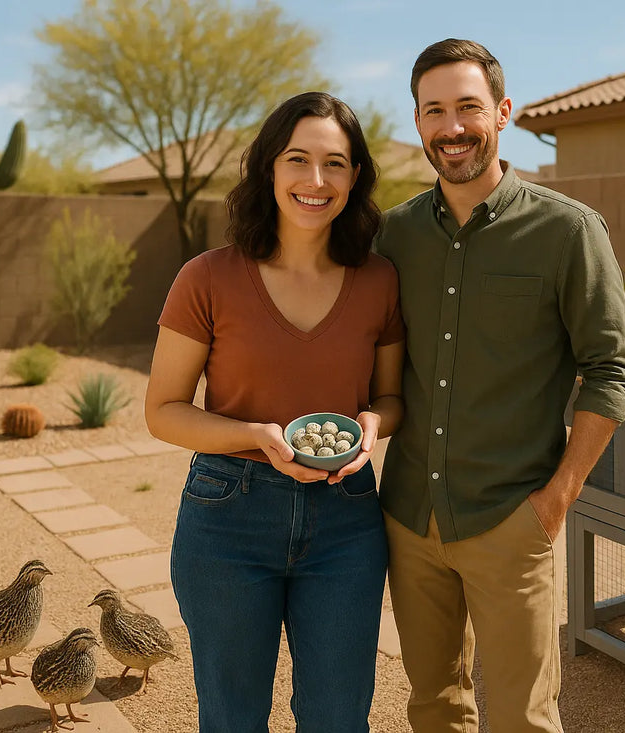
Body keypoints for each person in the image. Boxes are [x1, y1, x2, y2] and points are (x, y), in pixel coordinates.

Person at [374, 39, 625, 732]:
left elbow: (612, 367)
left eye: (468, 107)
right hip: (408, 515)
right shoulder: (394, 236)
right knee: (432, 705)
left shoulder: (568, 231)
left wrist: (558, 499)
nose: (452, 127)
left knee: (523, 717)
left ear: (504, 111)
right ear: (418, 122)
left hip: (511, 521)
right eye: (435, 111)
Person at [144, 91, 404, 732]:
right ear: (268, 168)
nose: (317, 181)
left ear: (355, 177)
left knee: (339, 718)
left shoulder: (379, 281)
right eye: (298, 159)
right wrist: (255, 438)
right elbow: (163, 410)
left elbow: (391, 398)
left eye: (336, 164)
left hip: (347, 522)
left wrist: (375, 426)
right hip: (228, 517)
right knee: (232, 718)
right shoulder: (206, 278)